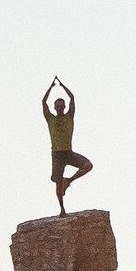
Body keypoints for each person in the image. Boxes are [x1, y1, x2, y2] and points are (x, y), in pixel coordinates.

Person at [42, 76, 92, 212]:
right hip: (57, 154)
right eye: (57, 106)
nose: (59, 108)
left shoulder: (69, 116)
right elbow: (43, 101)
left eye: (61, 105)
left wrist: (62, 85)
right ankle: (62, 209)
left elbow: (72, 98)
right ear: (54, 107)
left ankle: (69, 181)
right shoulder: (50, 119)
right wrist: (50, 88)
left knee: (88, 165)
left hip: (68, 152)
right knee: (58, 184)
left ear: (64, 107)